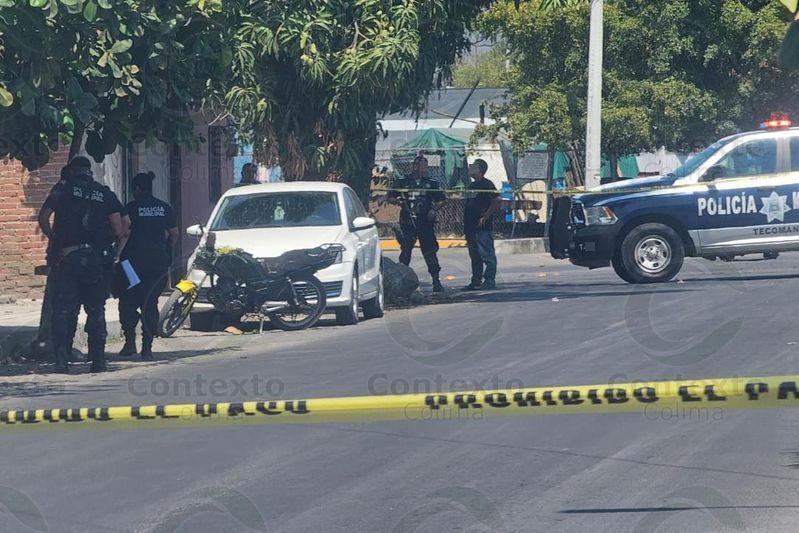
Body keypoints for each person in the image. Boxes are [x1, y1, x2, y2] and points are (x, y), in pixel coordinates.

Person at [38, 156, 124, 373]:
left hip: (67, 257)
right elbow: (118, 227)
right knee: (96, 309)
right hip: (95, 259)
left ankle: (61, 361)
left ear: (72, 172)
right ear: (89, 172)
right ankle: (98, 361)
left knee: (63, 310)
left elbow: (43, 217)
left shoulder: (63, 188)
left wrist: (55, 238)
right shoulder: (103, 192)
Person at [118, 172, 178, 359]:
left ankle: (129, 343)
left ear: (136, 189)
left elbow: (124, 233)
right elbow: (174, 234)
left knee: (127, 302)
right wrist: (166, 250)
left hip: (131, 265)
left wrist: (116, 255)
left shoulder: (131, 208)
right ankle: (147, 348)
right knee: (150, 303)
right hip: (157, 264)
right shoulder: (164, 208)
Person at [388, 155, 446, 292]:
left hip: (425, 221)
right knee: (406, 250)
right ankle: (401, 281)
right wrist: (398, 201)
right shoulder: (402, 181)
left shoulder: (431, 183)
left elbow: (441, 200)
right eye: (422, 166)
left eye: (426, 166)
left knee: (430, 251)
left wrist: (433, 209)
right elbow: (390, 196)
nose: (425, 169)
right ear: (415, 166)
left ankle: (436, 281)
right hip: (408, 220)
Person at [462, 159, 502, 291]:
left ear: (479, 169)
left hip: (482, 226)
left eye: (473, 166)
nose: (470, 168)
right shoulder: (472, 185)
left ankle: (489, 280)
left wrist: (486, 216)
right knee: (475, 255)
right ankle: (476, 280)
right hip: (470, 226)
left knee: (487, 254)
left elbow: (497, 200)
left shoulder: (487, 184)